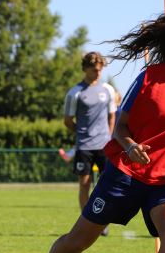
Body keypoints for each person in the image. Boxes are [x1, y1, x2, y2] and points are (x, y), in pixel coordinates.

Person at [49, 9, 165, 253]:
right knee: (77, 242)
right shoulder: (149, 78)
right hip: (125, 174)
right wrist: (131, 146)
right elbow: (120, 127)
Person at [62, 52, 117, 236]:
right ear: (85, 68)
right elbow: (68, 121)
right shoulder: (74, 93)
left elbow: (112, 117)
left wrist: (108, 139)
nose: (98, 73)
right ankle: (86, 224)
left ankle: (102, 222)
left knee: (105, 185)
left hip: (103, 147)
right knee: (84, 185)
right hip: (83, 147)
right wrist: (82, 134)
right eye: (94, 70)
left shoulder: (108, 90)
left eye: (100, 70)